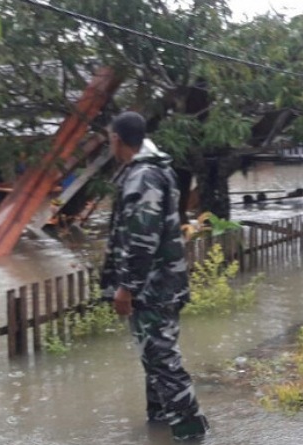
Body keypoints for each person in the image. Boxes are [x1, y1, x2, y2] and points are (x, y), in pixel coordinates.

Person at [100, 111, 209, 441]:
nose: (109, 143)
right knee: (156, 358)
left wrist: (126, 287)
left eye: (109, 138)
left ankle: (192, 433)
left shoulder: (143, 176)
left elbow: (142, 237)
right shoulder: (152, 170)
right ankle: (160, 424)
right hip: (160, 284)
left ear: (116, 139)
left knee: (162, 361)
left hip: (153, 287)